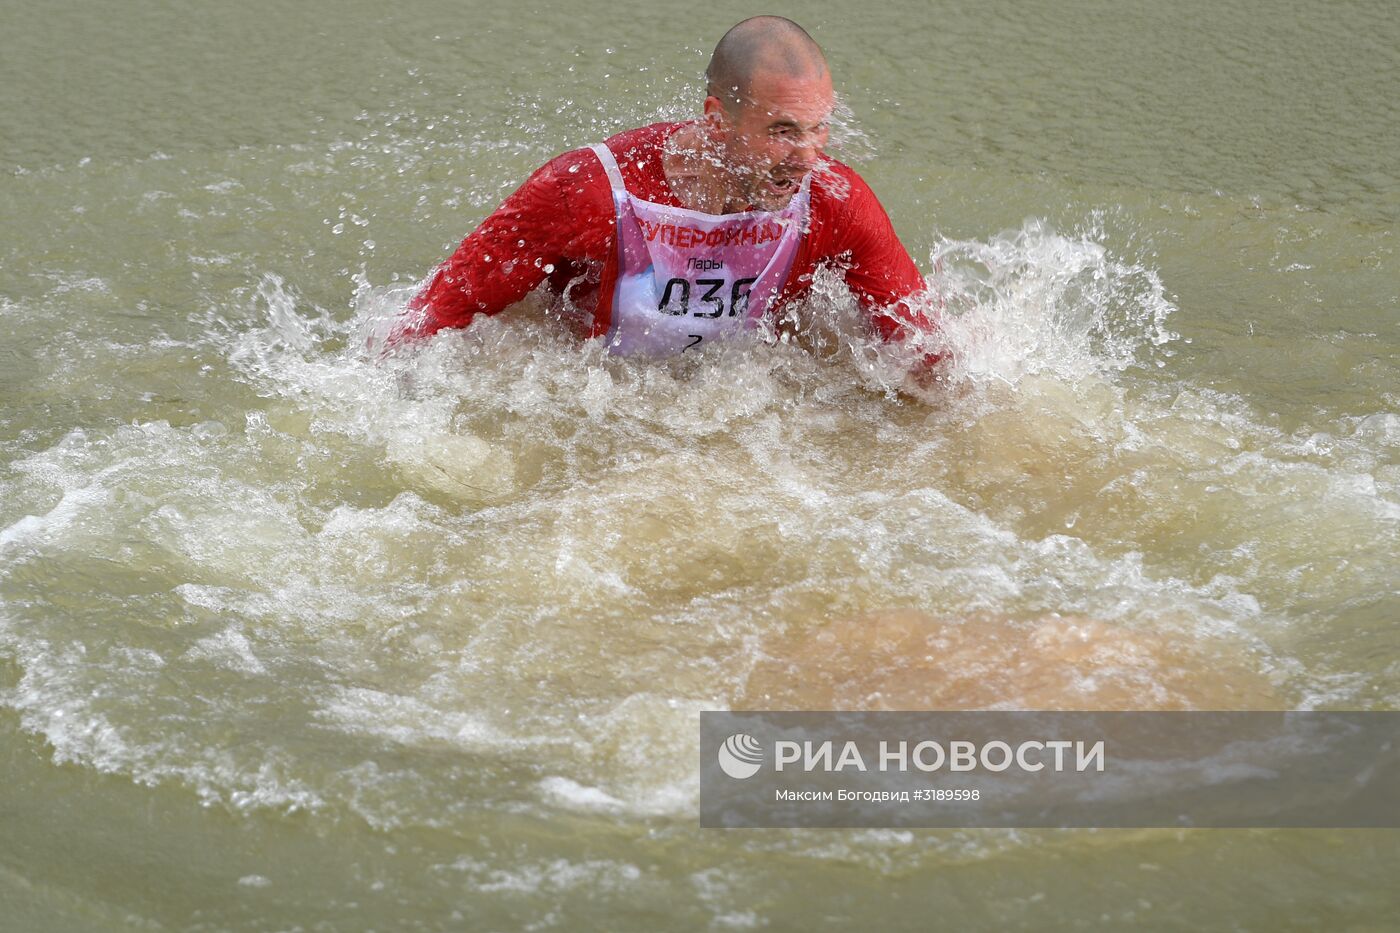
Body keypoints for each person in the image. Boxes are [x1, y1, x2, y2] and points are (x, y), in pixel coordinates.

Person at [387, 16, 940, 365]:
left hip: (735, 407)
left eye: (818, 126)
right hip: (590, 396)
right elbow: (429, 324)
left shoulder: (835, 204)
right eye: (782, 131)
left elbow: (926, 350)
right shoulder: (586, 192)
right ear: (717, 121)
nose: (808, 156)